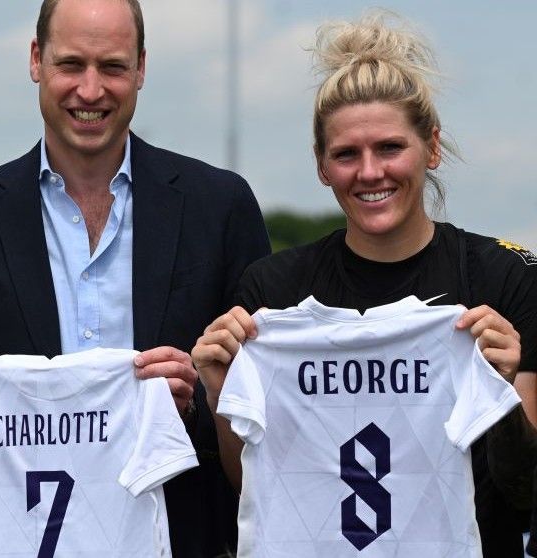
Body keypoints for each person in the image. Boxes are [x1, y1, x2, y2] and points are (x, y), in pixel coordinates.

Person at [0, 0, 270, 554]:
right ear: (36, 60)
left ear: (140, 69)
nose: (90, 91)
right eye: (71, 65)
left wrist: (199, 398)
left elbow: (261, 415)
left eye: (111, 66)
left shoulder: (220, 206)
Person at [192, 11, 537, 556]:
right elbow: (257, 490)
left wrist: (503, 393)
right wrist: (218, 391)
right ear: (322, 166)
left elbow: (526, 488)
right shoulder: (274, 292)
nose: (370, 172)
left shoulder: (501, 278)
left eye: (390, 148)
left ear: (432, 147)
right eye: (346, 154)